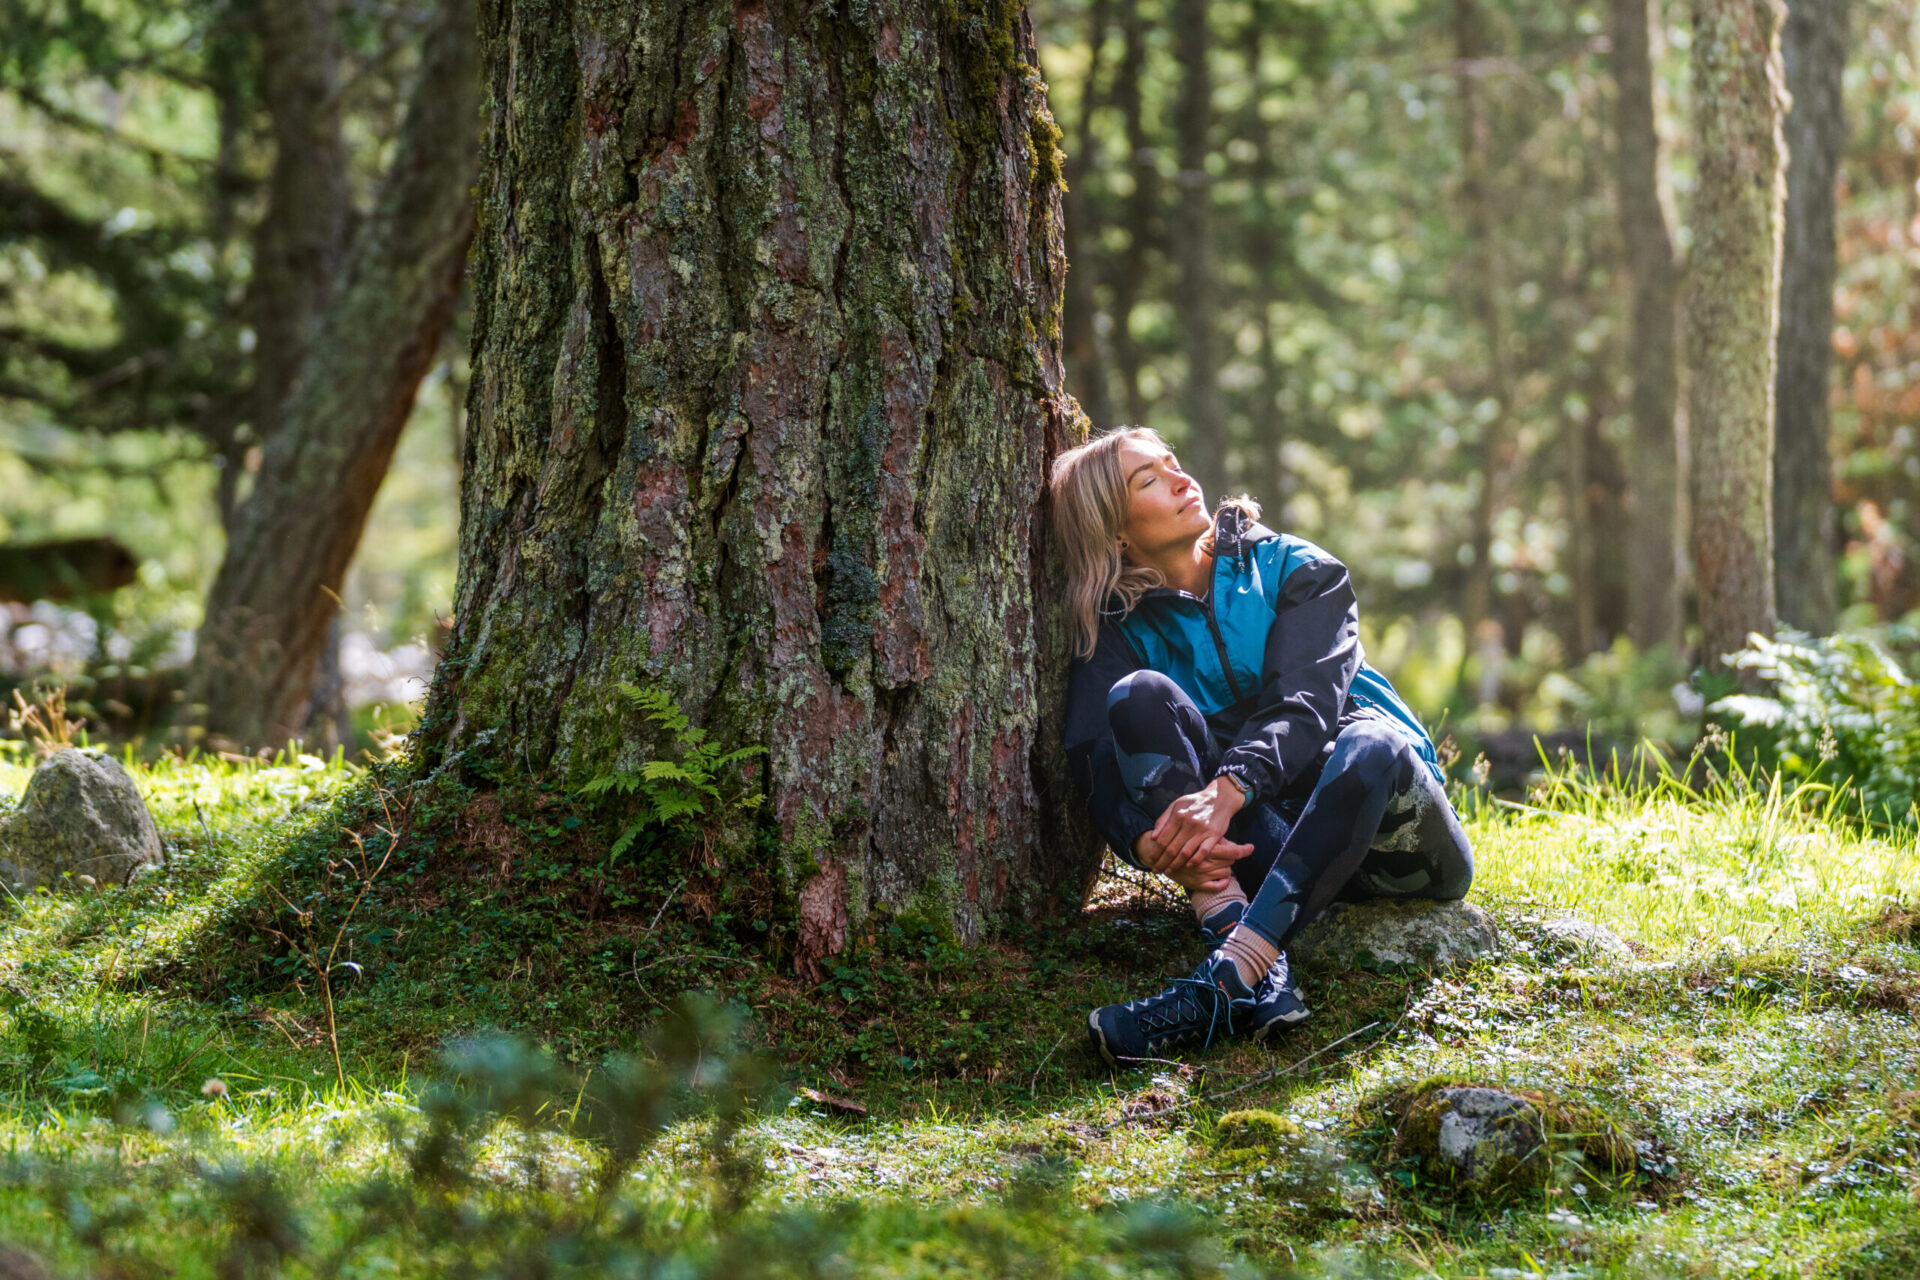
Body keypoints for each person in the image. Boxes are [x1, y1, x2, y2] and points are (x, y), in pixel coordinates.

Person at [1053, 427, 1473, 1067]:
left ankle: (1226, 981)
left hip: (1394, 844)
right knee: (1136, 695)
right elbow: (1095, 754)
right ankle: (1251, 958)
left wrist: (1228, 790)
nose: (1182, 479)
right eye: (1150, 479)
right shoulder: (1117, 630)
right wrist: (1147, 841)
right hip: (1267, 850)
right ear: (1116, 534)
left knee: (1373, 741)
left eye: (1174, 462)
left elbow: (1304, 703)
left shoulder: (1296, 567)